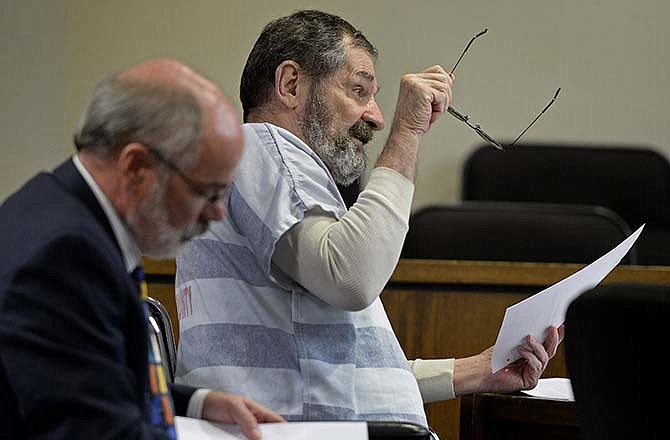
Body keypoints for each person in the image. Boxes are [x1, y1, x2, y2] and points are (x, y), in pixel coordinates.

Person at [175, 10, 563, 429]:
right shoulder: (263, 145)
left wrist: (474, 371)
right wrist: (408, 131)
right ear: (291, 85)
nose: (376, 118)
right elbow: (352, 277)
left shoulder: (271, 176)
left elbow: (343, 378)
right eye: (359, 90)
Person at [0, 59, 284, 440]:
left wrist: (198, 402)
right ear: (136, 167)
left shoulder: (57, 211)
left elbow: (92, 379)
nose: (217, 213)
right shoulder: (63, 258)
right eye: (208, 192)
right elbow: (93, 430)